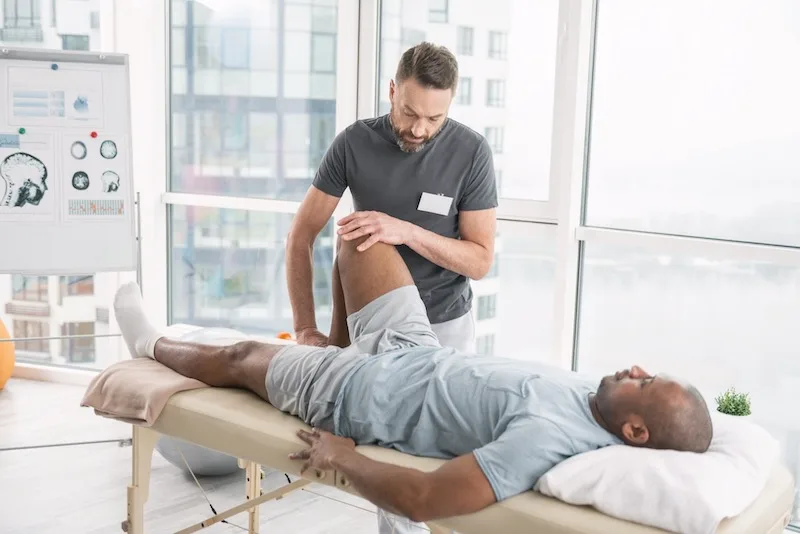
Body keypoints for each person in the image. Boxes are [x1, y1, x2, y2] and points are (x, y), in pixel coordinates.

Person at [113, 236, 714, 525]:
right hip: (414, 347)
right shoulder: (591, 397)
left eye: (645, 383)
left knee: (243, 355)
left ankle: (150, 343)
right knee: (360, 238)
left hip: (356, 391)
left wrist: (344, 457)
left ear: (635, 430)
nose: (636, 370)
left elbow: (429, 500)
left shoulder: (552, 438)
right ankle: (334, 342)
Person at [286, 41, 497, 356]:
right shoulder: (353, 143)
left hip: (445, 325)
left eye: (434, 118)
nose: (418, 129)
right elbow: (300, 235)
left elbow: (479, 262)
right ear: (392, 91)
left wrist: (407, 232)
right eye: (409, 112)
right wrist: (304, 328)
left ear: (451, 103)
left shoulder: (472, 152)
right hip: (372, 320)